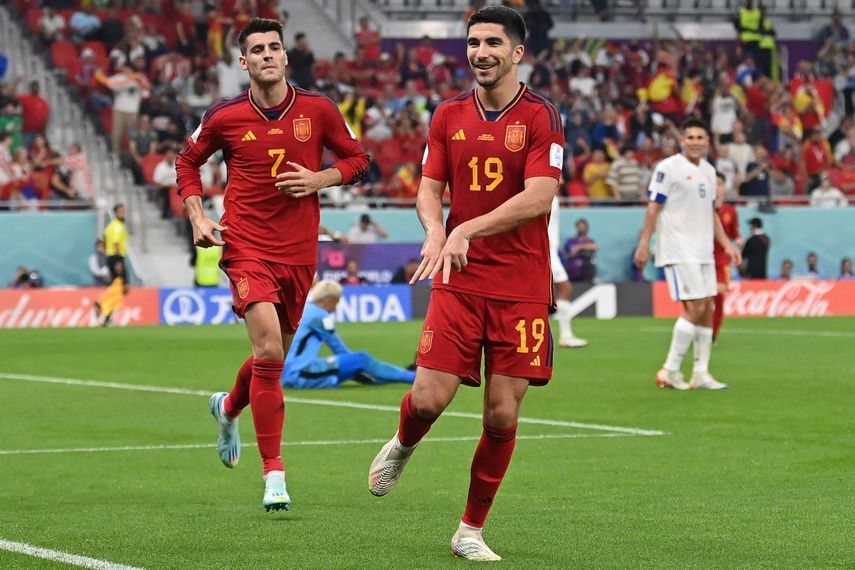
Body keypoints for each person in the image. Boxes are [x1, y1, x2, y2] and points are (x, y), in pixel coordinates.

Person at [367, 7, 563, 561]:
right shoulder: (448, 114)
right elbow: (429, 188)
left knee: (502, 414)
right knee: (429, 399)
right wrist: (436, 231)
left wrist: (465, 228)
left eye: (493, 43)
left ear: (517, 53)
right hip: (459, 276)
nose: (481, 52)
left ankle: (469, 531)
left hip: (521, 283)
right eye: (474, 42)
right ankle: (404, 443)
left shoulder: (543, 116)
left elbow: (540, 195)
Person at [176, 17, 369, 513]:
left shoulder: (319, 110)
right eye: (256, 49)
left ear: (285, 57)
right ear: (243, 62)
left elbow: (359, 160)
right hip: (245, 245)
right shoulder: (224, 116)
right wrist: (197, 214)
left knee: (273, 359)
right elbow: (187, 162)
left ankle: (228, 406)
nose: (266, 55)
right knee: (266, 348)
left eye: (274, 48)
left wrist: (320, 179)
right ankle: (274, 474)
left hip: (299, 253)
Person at [634, 118, 741, 391]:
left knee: (707, 307)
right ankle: (669, 369)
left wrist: (727, 245)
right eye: (690, 137)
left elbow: (712, 214)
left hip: (704, 250)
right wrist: (645, 243)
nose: (695, 142)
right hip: (678, 248)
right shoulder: (668, 168)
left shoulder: (708, 171)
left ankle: (701, 373)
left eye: (699, 137)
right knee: (695, 308)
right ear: (682, 141)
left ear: (708, 142)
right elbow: (653, 207)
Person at [281, 280, 416, 388]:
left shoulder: (304, 310)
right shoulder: (320, 316)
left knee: (356, 366)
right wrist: (356, 366)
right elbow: (339, 349)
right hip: (300, 373)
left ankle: (405, 375)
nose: (336, 307)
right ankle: (412, 377)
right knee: (360, 360)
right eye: (336, 302)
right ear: (329, 300)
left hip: (286, 373)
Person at [549, 197, 587, 348]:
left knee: (553, 291)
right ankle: (565, 335)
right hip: (546, 250)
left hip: (550, 250)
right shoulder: (545, 192)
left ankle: (559, 335)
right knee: (564, 288)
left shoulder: (553, 196)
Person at [713, 172, 740, 341]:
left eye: (719, 183)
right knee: (700, 300)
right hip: (701, 258)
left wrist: (738, 242)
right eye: (713, 183)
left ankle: (712, 334)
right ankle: (701, 330)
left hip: (721, 260)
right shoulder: (701, 209)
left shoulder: (730, 211)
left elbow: (734, 234)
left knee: (719, 297)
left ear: (724, 187)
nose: (716, 187)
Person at [562, 218, 598, 282]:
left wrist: (580, 247)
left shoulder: (589, 241)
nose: (581, 229)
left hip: (587, 270)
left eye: (583, 227)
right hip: (573, 270)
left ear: (586, 228)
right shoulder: (571, 240)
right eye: (579, 227)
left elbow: (595, 247)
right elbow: (566, 251)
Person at [94, 259, 127, 326]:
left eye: (120, 266)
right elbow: (110, 282)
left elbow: (125, 285)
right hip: (112, 292)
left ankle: (106, 319)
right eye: (117, 266)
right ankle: (101, 311)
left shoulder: (124, 275)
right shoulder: (113, 274)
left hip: (117, 293)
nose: (118, 267)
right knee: (108, 304)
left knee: (112, 307)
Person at [103, 203, 128, 283]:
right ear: (115, 213)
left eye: (124, 212)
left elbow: (104, 241)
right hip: (116, 257)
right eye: (120, 212)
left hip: (111, 257)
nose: (123, 214)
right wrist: (119, 261)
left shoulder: (111, 226)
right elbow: (116, 243)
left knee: (114, 282)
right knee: (121, 284)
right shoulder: (117, 227)